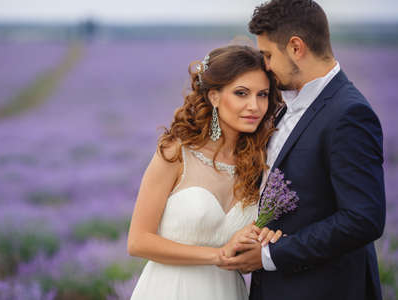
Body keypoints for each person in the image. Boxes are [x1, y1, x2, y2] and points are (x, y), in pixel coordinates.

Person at [218, 1, 386, 300]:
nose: (265, 66)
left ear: (296, 47)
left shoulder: (349, 113)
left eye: (268, 55)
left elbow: (363, 218)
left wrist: (270, 255)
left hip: (323, 289)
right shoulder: (286, 106)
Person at [127, 45, 284, 299]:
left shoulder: (260, 163)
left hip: (228, 291)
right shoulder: (176, 153)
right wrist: (217, 255)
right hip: (171, 290)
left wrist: (267, 238)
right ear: (214, 96)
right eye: (241, 93)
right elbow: (138, 241)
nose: (254, 106)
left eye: (263, 94)